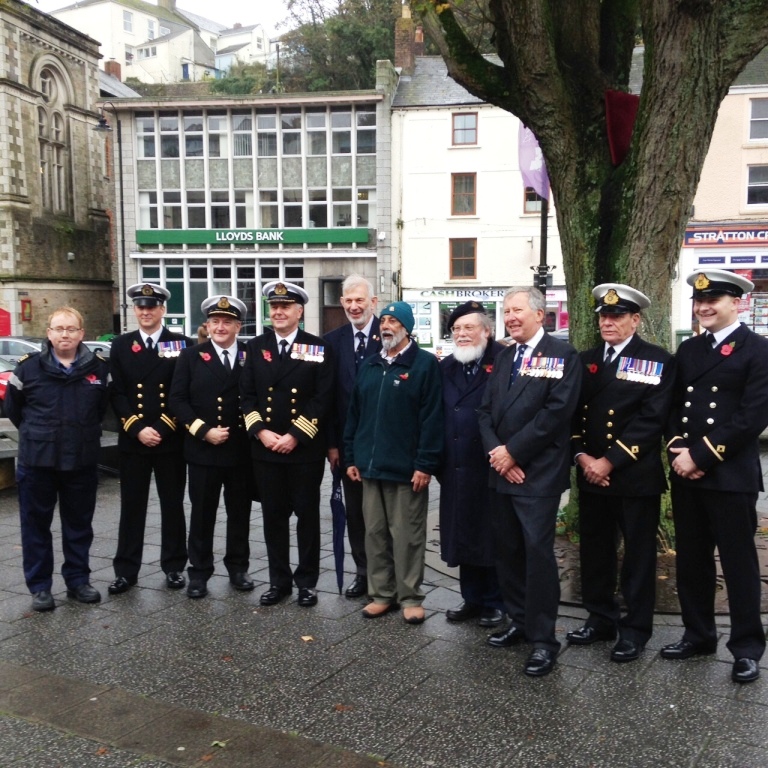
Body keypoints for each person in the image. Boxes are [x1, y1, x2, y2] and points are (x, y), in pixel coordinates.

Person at [662, 269, 768, 684]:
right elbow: (671, 406)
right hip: (687, 473)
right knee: (692, 561)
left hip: (730, 475)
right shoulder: (689, 351)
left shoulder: (758, 350)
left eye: (714, 301)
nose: (704, 307)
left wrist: (701, 455)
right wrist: (676, 449)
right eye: (699, 302)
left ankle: (745, 648)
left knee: (740, 565)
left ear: (736, 303)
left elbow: (751, 417)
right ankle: (698, 634)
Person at [567, 284, 674, 662]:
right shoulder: (586, 359)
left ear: (635, 320)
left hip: (632, 476)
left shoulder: (656, 360)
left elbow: (651, 420)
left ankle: (636, 629)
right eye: (603, 316)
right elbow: (574, 414)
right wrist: (583, 457)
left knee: (638, 557)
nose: (608, 321)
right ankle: (600, 619)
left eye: (616, 316)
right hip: (591, 473)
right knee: (595, 552)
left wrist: (608, 461)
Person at [478, 286, 580, 677]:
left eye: (517, 310)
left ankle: (543, 640)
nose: (510, 317)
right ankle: (518, 622)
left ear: (540, 314)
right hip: (502, 470)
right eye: (505, 311)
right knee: (508, 552)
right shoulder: (504, 357)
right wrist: (498, 454)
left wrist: (514, 453)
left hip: (536, 474)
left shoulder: (562, 355)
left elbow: (555, 414)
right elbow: (484, 411)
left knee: (537, 556)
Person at [344, 301, 443, 625]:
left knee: (408, 536)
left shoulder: (425, 365)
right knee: (374, 534)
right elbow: (354, 414)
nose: (386, 326)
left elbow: (432, 419)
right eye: (383, 320)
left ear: (407, 327)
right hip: (370, 467)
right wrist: (351, 456)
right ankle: (382, 594)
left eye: (393, 321)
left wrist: (425, 464)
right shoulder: (370, 365)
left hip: (406, 470)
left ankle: (411, 597)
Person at [6, 307, 109, 612]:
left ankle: (78, 581)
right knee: (35, 526)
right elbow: (15, 410)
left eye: (71, 329)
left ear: (82, 333)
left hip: (80, 459)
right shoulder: (27, 369)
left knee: (78, 526)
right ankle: (40, 587)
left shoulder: (99, 369)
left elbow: (101, 410)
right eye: (59, 328)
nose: (65, 334)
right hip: (38, 461)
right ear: (48, 333)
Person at [240, 281, 335, 607]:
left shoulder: (318, 347)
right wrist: (261, 432)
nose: (278, 312)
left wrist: (295, 434)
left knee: (307, 518)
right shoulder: (255, 347)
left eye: (286, 306)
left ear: (299, 311)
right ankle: (278, 581)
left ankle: (307, 583)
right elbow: (247, 396)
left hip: (304, 448)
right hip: (265, 449)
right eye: (274, 306)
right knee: (273, 518)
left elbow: (323, 398)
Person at [108, 283, 192, 595]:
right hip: (134, 440)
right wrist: (136, 427)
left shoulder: (180, 344)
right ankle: (126, 570)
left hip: (169, 440)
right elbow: (116, 392)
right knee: (132, 507)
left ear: (162, 310)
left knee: (172, 505)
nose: (146, 311)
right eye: (140, 306)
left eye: (152, 306)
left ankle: (173, 567)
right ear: (134, 310)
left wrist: (162, 426)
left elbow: (181, 391)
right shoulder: (121, 345)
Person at [170, 295, 253, 599]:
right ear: (207, 325)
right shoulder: (192, 357)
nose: (221, 327)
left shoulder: (250, 354)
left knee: (239, 513)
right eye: (215, 321)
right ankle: (199, 572)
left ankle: (238, 568)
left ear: (237, 326)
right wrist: (203, 431)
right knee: (202, 513)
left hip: (240, 450)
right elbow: (177, 400)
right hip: (203, 450)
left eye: (227, 322)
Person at [438, 301, 505, 627]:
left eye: (469, 328)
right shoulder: (447, 366)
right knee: (462, 531)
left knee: (489, 535)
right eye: (457, 329)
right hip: (456, 465)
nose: (462, 334)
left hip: (491, 465)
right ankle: (472, 598)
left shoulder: (502, 361)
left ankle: (495, 601)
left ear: (487, 331)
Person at [324, 274, 381, 598]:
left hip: (384, 443)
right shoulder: (332, 341)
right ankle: (363, 572)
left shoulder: (387, 335)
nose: (354, 306)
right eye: (349, 300)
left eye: (360, 300)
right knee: (356, 513)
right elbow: (328, 399)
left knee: (385, 514)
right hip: (348, 447)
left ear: (373, 302)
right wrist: (331, 444)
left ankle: (387, 574)